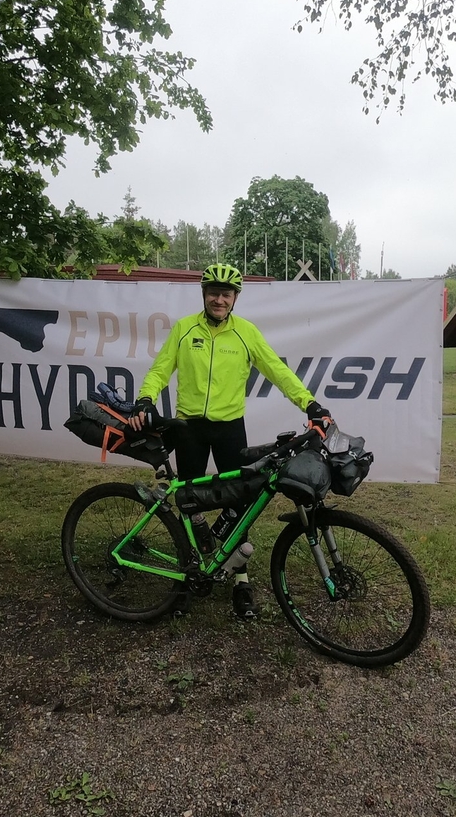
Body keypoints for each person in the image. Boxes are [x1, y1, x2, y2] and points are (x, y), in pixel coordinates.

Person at [126, 263, 332, 620]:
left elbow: (278, 372)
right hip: (189, 427)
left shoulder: (246, 333)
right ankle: (188, 574)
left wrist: (310, 404)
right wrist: (145, 398)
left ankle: (241, 579)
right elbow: (160, 370)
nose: (218, 299)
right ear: (204, 294)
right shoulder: (184, 328)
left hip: (230, 430)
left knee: (241, 503)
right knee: (188, 502)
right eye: (213, 292)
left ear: (235, 298)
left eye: (225, 294)